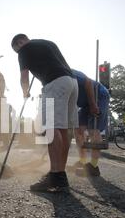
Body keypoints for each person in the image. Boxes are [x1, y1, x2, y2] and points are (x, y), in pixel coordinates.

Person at [11, 34, 78, 192]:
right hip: (72, 82)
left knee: (50, 127)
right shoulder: (48, 43)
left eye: (16, 50)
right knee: (64, 129)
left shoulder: (23, 50)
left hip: (54, 83)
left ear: (18, 44)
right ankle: (59, 174)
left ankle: (55, 176)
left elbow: (24, 76)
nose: (17, 53)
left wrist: (25, 92)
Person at [70, 69, 110, 177]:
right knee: (77, 129)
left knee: (93, 129)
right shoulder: (54, 82)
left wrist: (93, 104)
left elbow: (87, 82)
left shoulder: (69, 73)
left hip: (99, 96)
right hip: (84, 103)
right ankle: (82, 161)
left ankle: (93, 166)